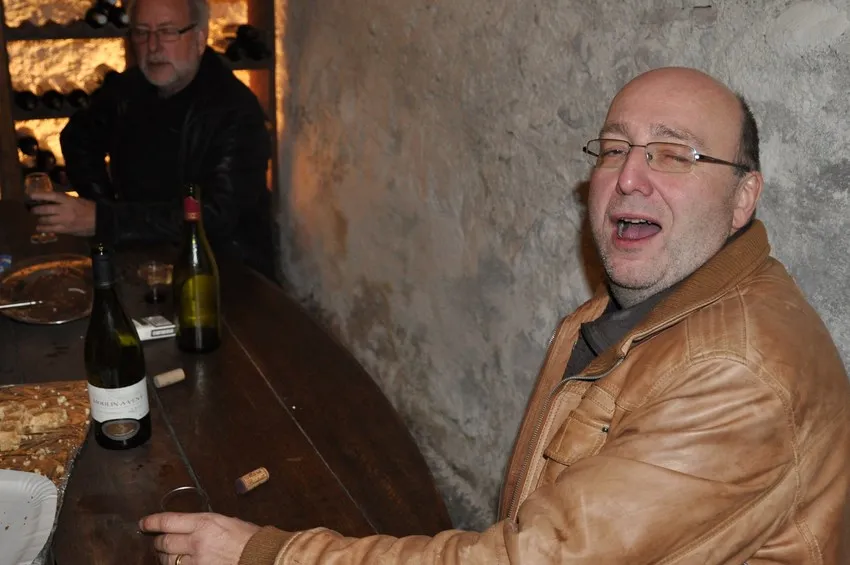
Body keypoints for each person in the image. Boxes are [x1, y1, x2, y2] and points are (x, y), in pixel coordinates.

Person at [139, 67, 850, 564]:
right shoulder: (636, 306)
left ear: (743, 197)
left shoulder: (738, 374)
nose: (629, 177)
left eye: (673, 154)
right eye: (613, 149)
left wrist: (266, 552)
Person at [29, 0, 275, 279]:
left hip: (223, 271)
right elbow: (79, 138)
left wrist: (105, 220)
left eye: (168, 31)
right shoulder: (128, 89)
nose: (153, 46)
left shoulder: (235, 110)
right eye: (142, 32)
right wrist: (102, 205)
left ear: (199, 38)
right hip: (143, 257)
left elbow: (217, 214)